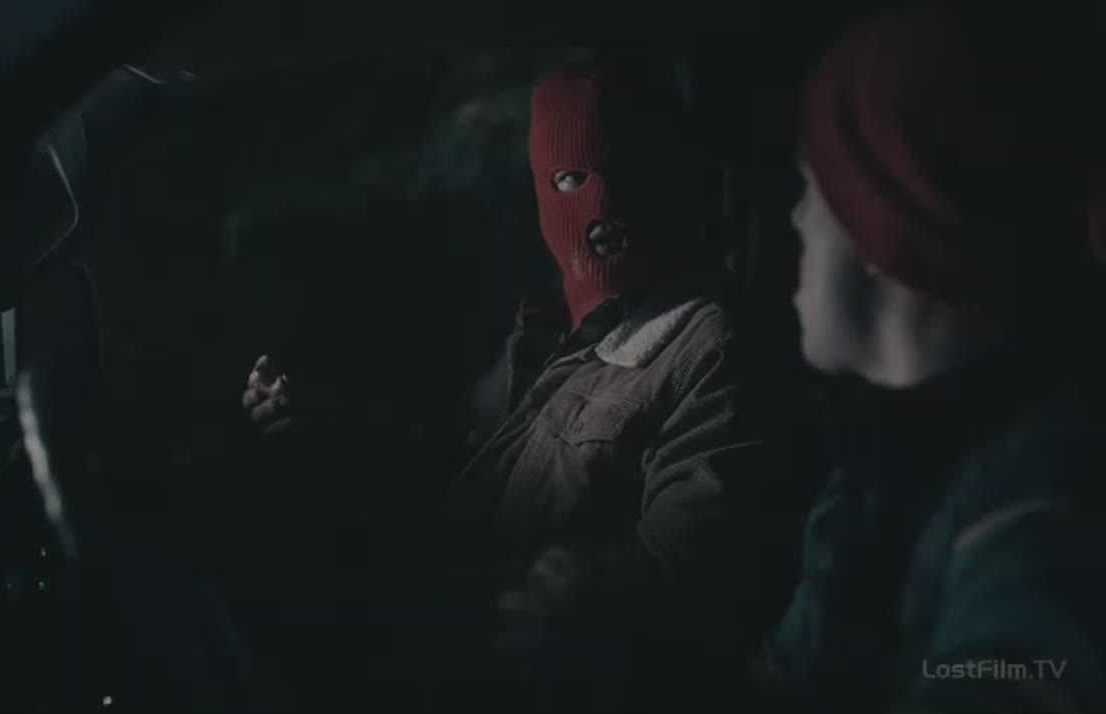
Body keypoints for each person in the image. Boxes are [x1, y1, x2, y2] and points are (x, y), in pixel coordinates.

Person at [243, 65, 823, 707]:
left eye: (627, 172)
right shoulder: (548, 328)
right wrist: (330, 432)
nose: (601, 207)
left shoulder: (708, 348)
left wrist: (551, 603)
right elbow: (468, 460)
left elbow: (692, 574)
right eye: (571, 179)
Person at [760, 8, 1106, 712]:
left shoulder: (1041, 515)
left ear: (882, 228)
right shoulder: (873, 474)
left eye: (811, 187)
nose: (794, 218)